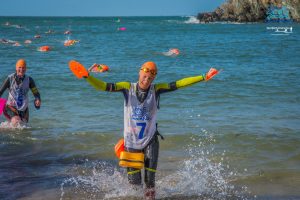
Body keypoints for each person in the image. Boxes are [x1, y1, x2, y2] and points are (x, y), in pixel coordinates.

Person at [73, 61, 218, 200]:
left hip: (150, 140)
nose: (146, 80)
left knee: (150, 181)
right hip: (131, 142)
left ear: (154, 77)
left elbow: (179, 83)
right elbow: (104, 86)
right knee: (134, 184)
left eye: (150, 77)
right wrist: (88, 77)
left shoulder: (157, 89)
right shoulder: (127, 88)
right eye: (144, 76)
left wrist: (203, 77)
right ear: (139, 72)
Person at [0, 59, 41, 126]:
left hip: (24, 109)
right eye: (19, 67)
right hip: (10, 107)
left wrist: (38, 100)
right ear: (16, 68)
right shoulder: (10, 79)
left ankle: (4, 129)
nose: (21, 69)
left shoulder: (29, 80)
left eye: (23, 67)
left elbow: (36, 93)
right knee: (17, 122)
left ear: (26, 69)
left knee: (23, 127)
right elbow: (1, 92)